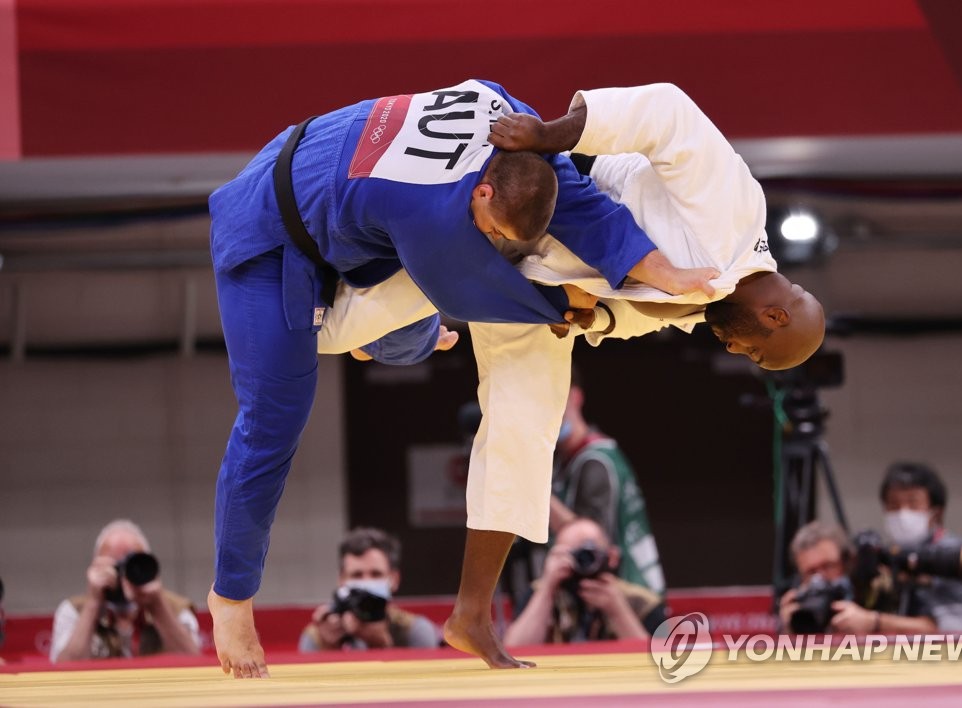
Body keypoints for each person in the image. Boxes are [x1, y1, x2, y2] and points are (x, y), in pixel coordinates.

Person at [207, 78, 716, 678]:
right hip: (268, 231)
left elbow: (579, 203)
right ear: (481, 191)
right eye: (494, 226)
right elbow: (483, 293)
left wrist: (666, 271)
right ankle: (231, 597)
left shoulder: (519, 126)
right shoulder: (433, 219)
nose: (496, 240)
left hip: (347, 212)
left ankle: (399, 336)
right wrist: (584, 309)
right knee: (276, 417)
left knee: (417, 314)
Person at [317, 82, 826, 666]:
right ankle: (314, 293)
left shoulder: (708, 304)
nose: (738, 353)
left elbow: (630, 317)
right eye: (757, 352)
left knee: (527, 425)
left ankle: (471, 615)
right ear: (776, 315)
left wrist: (594, 318)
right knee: (338, 329)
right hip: (550, 203)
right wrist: (548, 133)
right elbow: (666, 111)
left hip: (545, 289)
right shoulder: (737, 211)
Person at [548, 368, 664, 596]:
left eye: (554, 398)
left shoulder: (596, 462)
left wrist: (528, 488)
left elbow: (590, 542)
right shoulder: (564, 461)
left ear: (575, 397)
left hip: (631, 598)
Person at [49, 519, 201, 662]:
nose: (123, 576)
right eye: (114, 566)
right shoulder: (74, 610)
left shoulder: (175, 608)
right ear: (96, 567)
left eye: (132, 566)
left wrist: (157, 605)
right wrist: (93, 603)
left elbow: (193, 663)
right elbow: (64, 668)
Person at [503, 518, 668, 645]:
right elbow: (514, 649)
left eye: (589, 554)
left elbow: (655, 660)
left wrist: (618, 611)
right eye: (571, 554)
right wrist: (547, 589)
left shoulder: (642, 601)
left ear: (611, 557)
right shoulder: (538, 593)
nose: (580, 561)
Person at [878, 461, 962, 631]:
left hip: (960, 652)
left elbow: (936, 629)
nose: (902, 513)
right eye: (894, 505)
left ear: (936, 512)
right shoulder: (891, 553)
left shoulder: (954, 554)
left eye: (913, 504)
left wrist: (874, 621)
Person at [777, 520, 937, 635]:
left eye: (828, 566)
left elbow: (930, 629)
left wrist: (874, 622)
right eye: (810, 571)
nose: (820, 577)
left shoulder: (880, 582)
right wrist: (789, 629)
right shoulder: (798, 599)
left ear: (847, 561)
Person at [298, 528, 438, 652]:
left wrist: (382, 645)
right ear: (341, 579)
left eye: (376, 574)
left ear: (394, 579)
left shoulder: (414, 631)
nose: (366, 582)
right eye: (356, 575)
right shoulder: (320, 635)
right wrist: (327, 649)